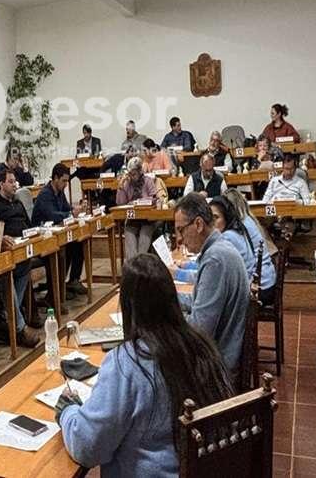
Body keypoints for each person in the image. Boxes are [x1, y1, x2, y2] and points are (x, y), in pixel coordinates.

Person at [56, 254, 233, 477]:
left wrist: (68, 411)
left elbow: (88, 448)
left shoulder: (127, 363)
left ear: (128, 306)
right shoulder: (203, 347)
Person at [172, 195, 249, 382]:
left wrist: (168, 318)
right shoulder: (218, 249)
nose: (179, 239)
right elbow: (197, 301)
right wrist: (167, 297)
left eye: (181, 230)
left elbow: (200, 331)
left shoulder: (215, 259)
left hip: (216, 366)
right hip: (220, 352)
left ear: (198, 224)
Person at [0, 165, 42, 347]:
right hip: (0, 259)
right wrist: (1, 239)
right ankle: (19, 327)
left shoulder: (18, 203)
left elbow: (29, 225)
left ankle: (9, 315)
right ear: (1, 184)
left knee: (25, 266)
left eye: (15, 182)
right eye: (11, 182)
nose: (15, 185)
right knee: (7, 276)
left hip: (20, 253)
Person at [34, 163, 86, 296]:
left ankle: (73, 280)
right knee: (64, 249)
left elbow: (66, 209)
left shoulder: (60, 192)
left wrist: (76, 210)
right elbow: (52, 215)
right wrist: (71, 214)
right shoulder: (45, 194)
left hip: (56, 235)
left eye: (67, 181)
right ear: (55, 178)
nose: (66, 184)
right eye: (64, 181)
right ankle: (56, 291)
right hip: (42, 239)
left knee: (78, 242)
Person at [116, 157, 159, 262]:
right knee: (129, 233)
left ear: (140, 172)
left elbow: (154, 199)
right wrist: (120, 186)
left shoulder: (148, 181)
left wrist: (138, 202)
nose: (131, 177)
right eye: (130, 174)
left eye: (134, 174)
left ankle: (141, 263)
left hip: (148, 220)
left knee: (144, 235)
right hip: (132, 219)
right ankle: (133, 264)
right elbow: (120, 203)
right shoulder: (127, 183)